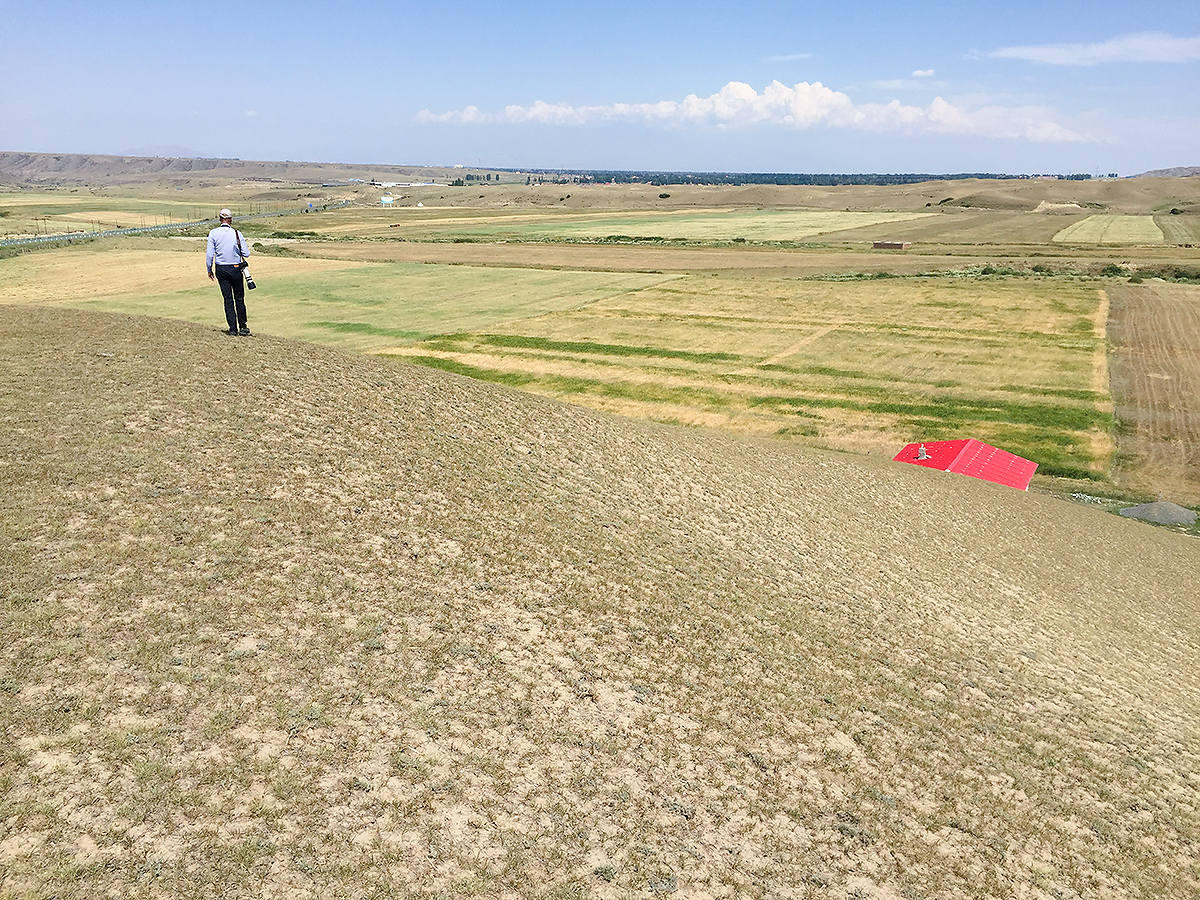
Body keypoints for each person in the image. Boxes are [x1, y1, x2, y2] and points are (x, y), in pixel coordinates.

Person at [206, 209, 252, 335]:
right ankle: (243, 327)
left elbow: (210, 255)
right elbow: (246, 254)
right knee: (239, 298)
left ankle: (232, 329)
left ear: (220, 219)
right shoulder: (237, 233)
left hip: (221, 268)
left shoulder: (213, 233)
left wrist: (209, 269)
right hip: (236, 268)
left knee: (228, 299)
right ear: (230, 220)